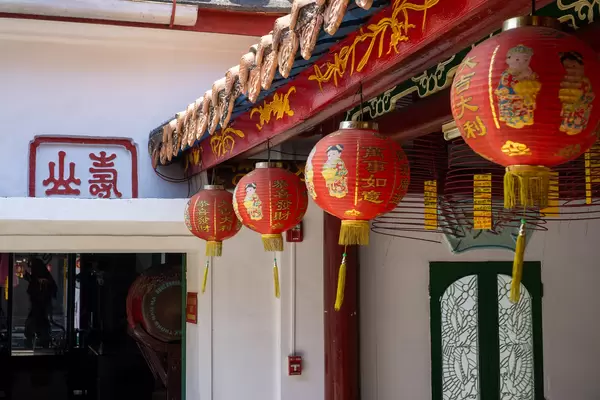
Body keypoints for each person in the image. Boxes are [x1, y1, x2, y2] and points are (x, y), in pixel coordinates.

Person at [496, 44, 541, 129]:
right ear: (508, 60)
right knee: (514, 111)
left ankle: (524, 119)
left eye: (526, 60)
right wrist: (520, 77)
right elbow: (507, 84)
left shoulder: (529, 72)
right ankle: (511, 119)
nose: (521, 62)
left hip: (525, 98)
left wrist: (531, 79)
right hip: (511, 97)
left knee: (525, 110)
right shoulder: (507, 74)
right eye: (517, 59)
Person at [559, 51, 595, 135]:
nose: (571, 69)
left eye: (574, 66)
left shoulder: (584, 81)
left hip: (579, 105)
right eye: (567, 67)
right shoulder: (565, 81)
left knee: (576, 118)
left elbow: (590, 94)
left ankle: (575, 128)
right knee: (566, 117)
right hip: (568, 105)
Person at [24, 257, 57, 349]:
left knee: (37, 326)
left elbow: (35, 291)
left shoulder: (43, 279)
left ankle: (40, 343)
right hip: (40, 308)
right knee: (38, 326)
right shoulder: (42, 277)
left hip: (40, 308)